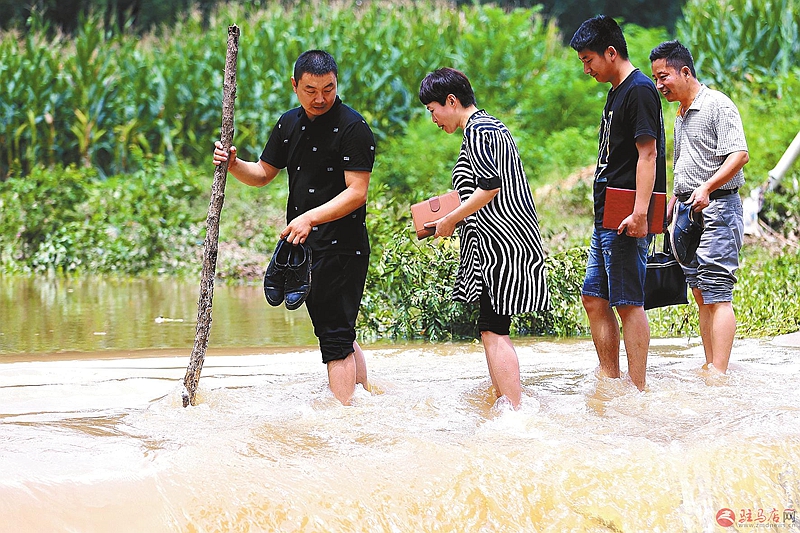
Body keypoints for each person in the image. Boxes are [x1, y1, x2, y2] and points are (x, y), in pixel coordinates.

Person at [213, 50, 376, 405]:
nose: (320, 98)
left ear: (337, 83)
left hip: (343, 246)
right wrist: (233, 163)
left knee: (334, 337)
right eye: (311, 90)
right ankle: (364, 402)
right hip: (305, 248)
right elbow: (262, 174)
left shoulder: (353, 127)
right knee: (337, 334)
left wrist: (309, 217)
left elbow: (357, 192)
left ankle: (342, 419)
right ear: (294, 86)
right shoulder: (289, 124)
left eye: (328, 89)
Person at [418, 67, 550, 409]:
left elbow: (489, 188)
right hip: (498, 243)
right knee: (490, 326)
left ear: (451, 100)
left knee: (493, 328)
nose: (433, 119)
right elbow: (481, 186)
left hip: (501, 244)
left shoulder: (479, 130)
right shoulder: (486, 128)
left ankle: (514, 409)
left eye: (433, 110)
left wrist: (449, 219)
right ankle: (504, 403)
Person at [569, 15, 667, 391]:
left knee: (628, 302)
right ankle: (611, 378)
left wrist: (641, 213)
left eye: (589, 60)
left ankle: (637, 387)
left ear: (611, 52)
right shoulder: (617, 91)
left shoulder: (640, 90)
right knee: (594, 297)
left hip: (626, 214)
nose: (587, 68)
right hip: (606, 216)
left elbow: (649, 154)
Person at [650, 40, 749, 374]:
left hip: (719, 209)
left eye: (664, 77)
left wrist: (707, 186)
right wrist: (673, 201)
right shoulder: (680, 114)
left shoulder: (717, 105)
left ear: (685, 71)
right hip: (688, 212)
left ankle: (718, 374)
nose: (659, 85)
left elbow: (739, 154)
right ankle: (710, 366)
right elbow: (687, 164)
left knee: (718, 292)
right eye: (656, 79)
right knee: (700, 291)